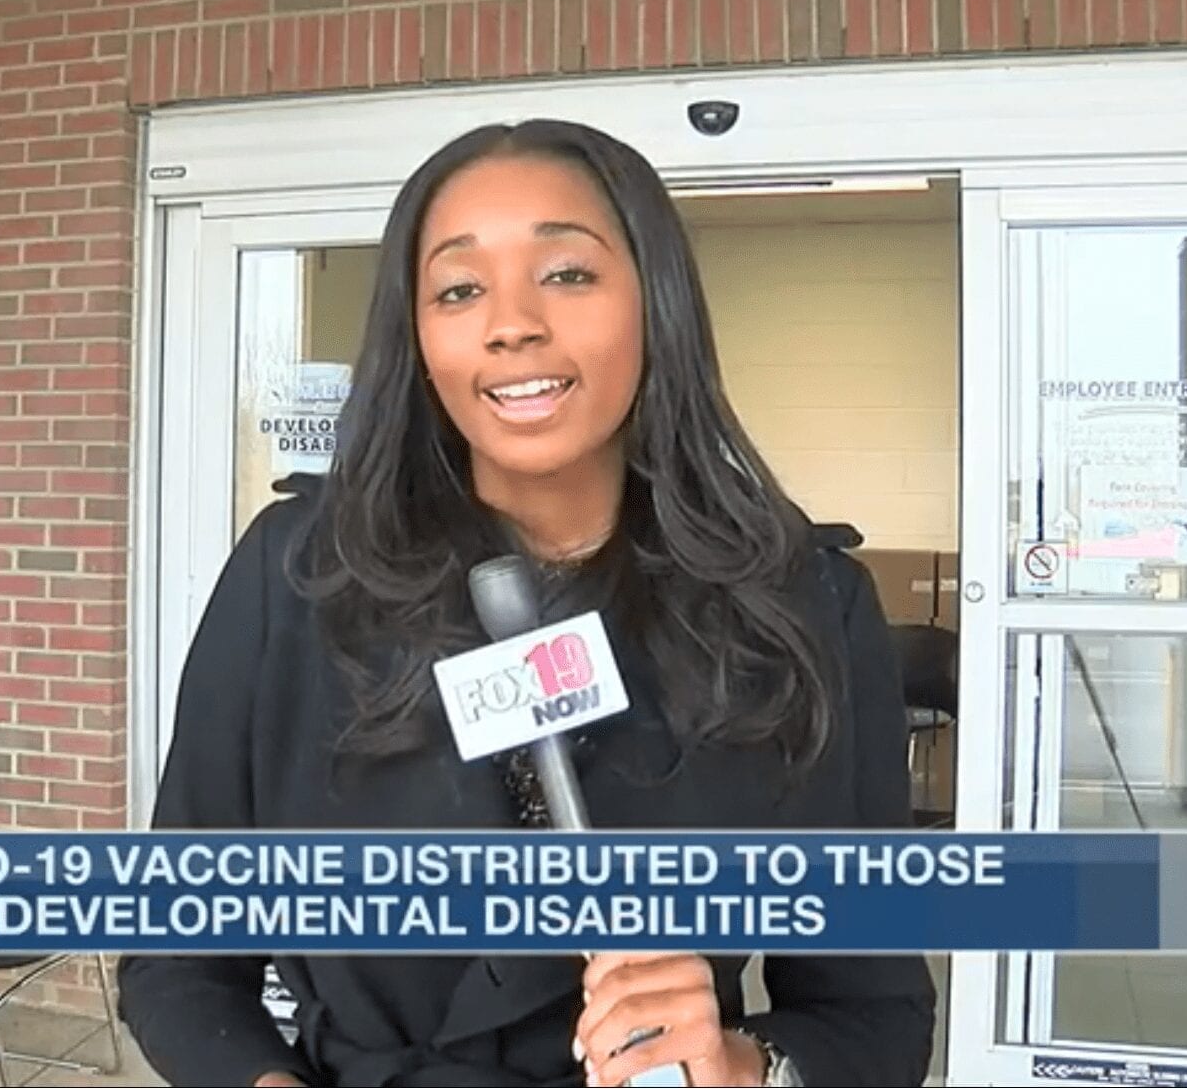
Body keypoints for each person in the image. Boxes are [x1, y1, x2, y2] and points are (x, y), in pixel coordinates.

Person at [118, 119, 937, 1087]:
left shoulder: (798, 604)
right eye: (459, 289)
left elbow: (875, 1012)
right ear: (418, 339)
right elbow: (177, 959)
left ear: (655, 305)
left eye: (567, 274)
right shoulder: (294, 573)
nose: (511, 323)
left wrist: (744, 1066)